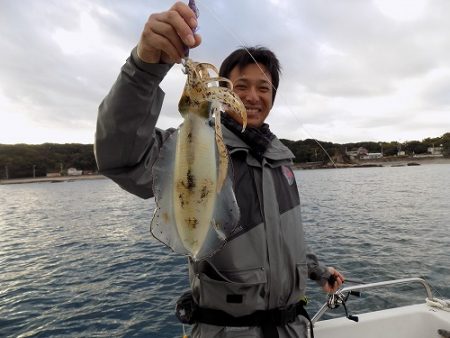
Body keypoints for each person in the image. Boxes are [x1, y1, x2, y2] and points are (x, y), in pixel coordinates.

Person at [95, 2, 344, 337]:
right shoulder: (193, 147)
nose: (253, 96)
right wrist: (143, 68)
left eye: (264, 87)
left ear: (274, 96)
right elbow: (120, 156)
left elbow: (287, 241)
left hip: (293, 330)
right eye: (241, 86)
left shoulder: (280, 162)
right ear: (224, 90)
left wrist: (318, 271)